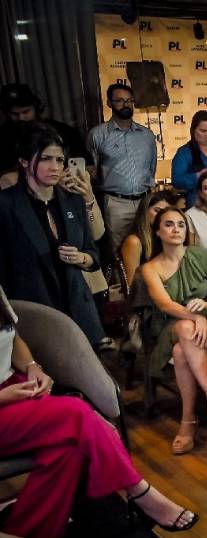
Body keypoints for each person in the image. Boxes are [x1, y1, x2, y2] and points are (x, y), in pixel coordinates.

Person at [0, 286, 198, 538]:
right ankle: (139, 491)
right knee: (78, 414)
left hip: (16, 387)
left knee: (69, 450)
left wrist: (34, 368)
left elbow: (14, 337)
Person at [139, 208, 207, 453]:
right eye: (169, 225)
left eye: (181, 225)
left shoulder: (200, 255)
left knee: (181, 352)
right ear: (158, 231)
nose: (176, 229)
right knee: (184, 326)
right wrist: (194, 318)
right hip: (170, 322)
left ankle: (188, 421)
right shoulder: (151, 268)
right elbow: (165, 304)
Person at [0, 127, 105, 345]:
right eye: (46, 159)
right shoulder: (6, 204)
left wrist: (82, 258)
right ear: (25, 161)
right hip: (33, 311)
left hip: (79, 310)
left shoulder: (72, 200)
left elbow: (93, 253)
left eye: (60, 160)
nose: (55, 167)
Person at [86, 83, 158, 248]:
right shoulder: (97, 135)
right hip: (116, 203)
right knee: (119, 250)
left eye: (129, 100)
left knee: (150, 247)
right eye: (119, 100)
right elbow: (94, 172)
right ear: (109, 103)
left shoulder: (147, 135)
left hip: (145, 201)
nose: (125, 104)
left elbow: (151, 167)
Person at [0, 83, 91, 173]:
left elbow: (87, 165)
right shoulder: (3, 137)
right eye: (14, 114)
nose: (21, 118)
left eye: (26, 112)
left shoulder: (63, 131)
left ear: (36, 108)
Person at [121, 189, 182, 287]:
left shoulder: (166, 238)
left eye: (165, 211)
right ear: (145, 211)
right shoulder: (134, 241)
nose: (161, 215)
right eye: (157, 210)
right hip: (145, 297)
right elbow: (132, 284)